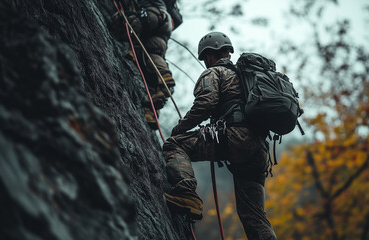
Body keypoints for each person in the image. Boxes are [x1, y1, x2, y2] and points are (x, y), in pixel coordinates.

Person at [163, 32, 277, 240]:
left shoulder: (214, 73)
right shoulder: (247, 78)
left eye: (205, 58)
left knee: (174, 145)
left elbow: (205, 103)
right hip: (260, 150)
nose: (206, 62)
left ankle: (186, 193)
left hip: (234, 138)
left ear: (209, 55)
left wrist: (181, 127)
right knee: (254, 216)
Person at [110, 0, 181, 128]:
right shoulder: (172, 7)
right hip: (163, 28)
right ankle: (151, 112)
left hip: (151, 13)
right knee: (153, 54)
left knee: (130, 24)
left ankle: (164, 76)